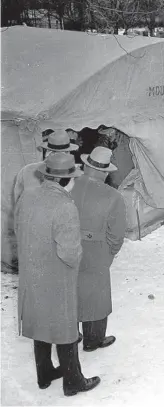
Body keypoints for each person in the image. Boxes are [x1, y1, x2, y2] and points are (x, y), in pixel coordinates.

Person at [15, 154, 100, 396]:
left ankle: (45, 374)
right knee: (65, 326)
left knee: (40, 321)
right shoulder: (65, 205)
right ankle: (73, 381)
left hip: (31, 272)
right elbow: (70, 253)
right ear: (65, 181)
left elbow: (17, 230)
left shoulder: (27, 196)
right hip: (56, 276)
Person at [71, 147, 126, 352]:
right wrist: (109, 253)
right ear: (105, 172)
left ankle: (70, 334)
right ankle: (93, 341)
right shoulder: (113, 196)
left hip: (67, 245)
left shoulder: (67, 185)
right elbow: (117, 235)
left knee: (70, 289)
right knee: (96, 296)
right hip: (97, 251)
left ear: (86, 165)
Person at [13, 130, 79, 206]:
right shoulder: (70, 177)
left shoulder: (26, 170)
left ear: (47, 151)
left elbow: (17, 203)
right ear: (67, 153)